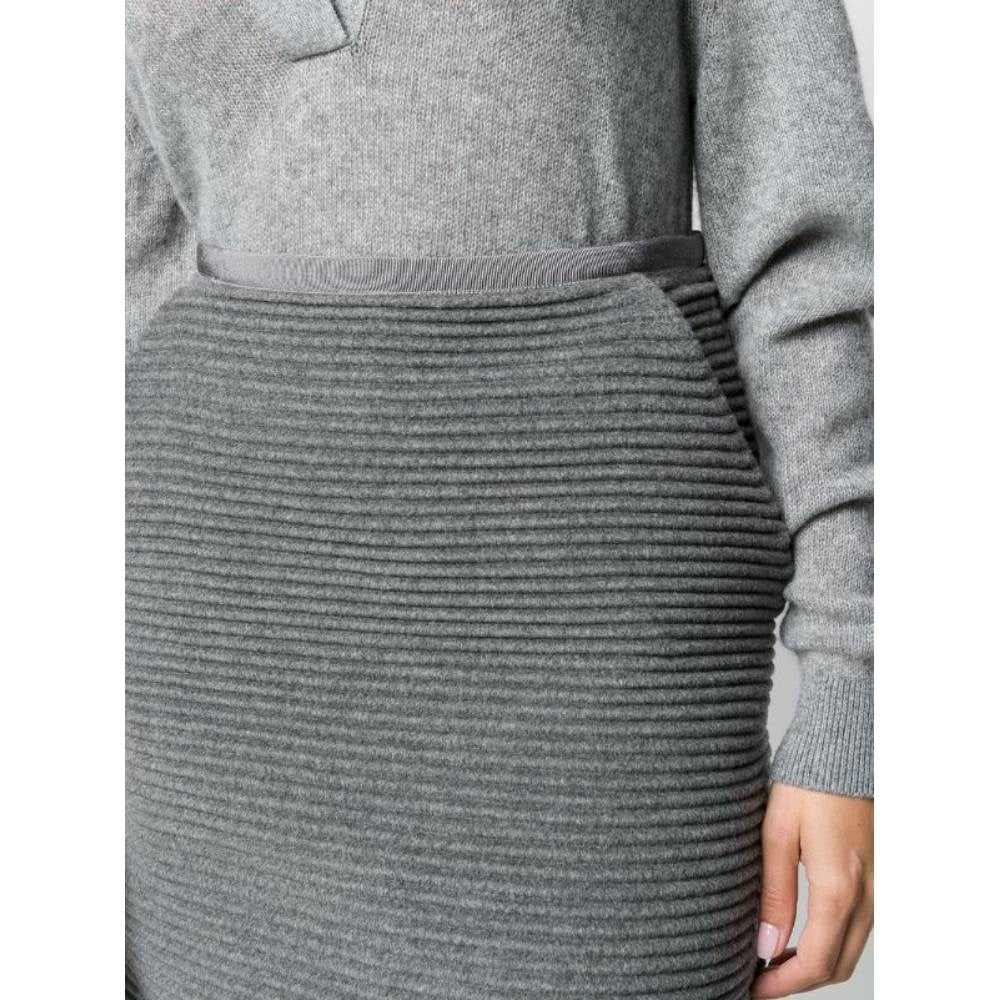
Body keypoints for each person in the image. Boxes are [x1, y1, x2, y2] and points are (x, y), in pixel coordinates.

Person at [125, 2, 874, 998]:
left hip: (593, 667)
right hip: (215, 684)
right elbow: (137, 263)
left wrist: (855, 683)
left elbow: (808, 258)